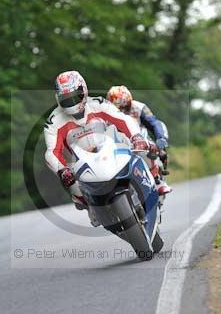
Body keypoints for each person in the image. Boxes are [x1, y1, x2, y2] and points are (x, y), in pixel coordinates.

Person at [44, 70, 152, 226]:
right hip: (78, 164)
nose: (72, 102)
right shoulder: (53, 121)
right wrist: (62, 170)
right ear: (58, 99)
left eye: (75, 96)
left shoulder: (99, 103)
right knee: (74, 186)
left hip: (109, 151)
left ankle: (148, 184)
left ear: (84, 90)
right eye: (66, 99)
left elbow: (122, 119)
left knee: (133, 150)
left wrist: (136, 137)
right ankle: (90, 207)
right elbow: (51, 152)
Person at [106, 85, 172, 195]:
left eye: (125, 107)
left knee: (156, 148)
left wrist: (160, 137)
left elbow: (154, 122)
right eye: (119, 109)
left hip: (139, 137)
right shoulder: (106, 112)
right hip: (119, 141)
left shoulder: (139, 107)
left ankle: (157, 179)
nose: (123, 112)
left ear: (129, 102)